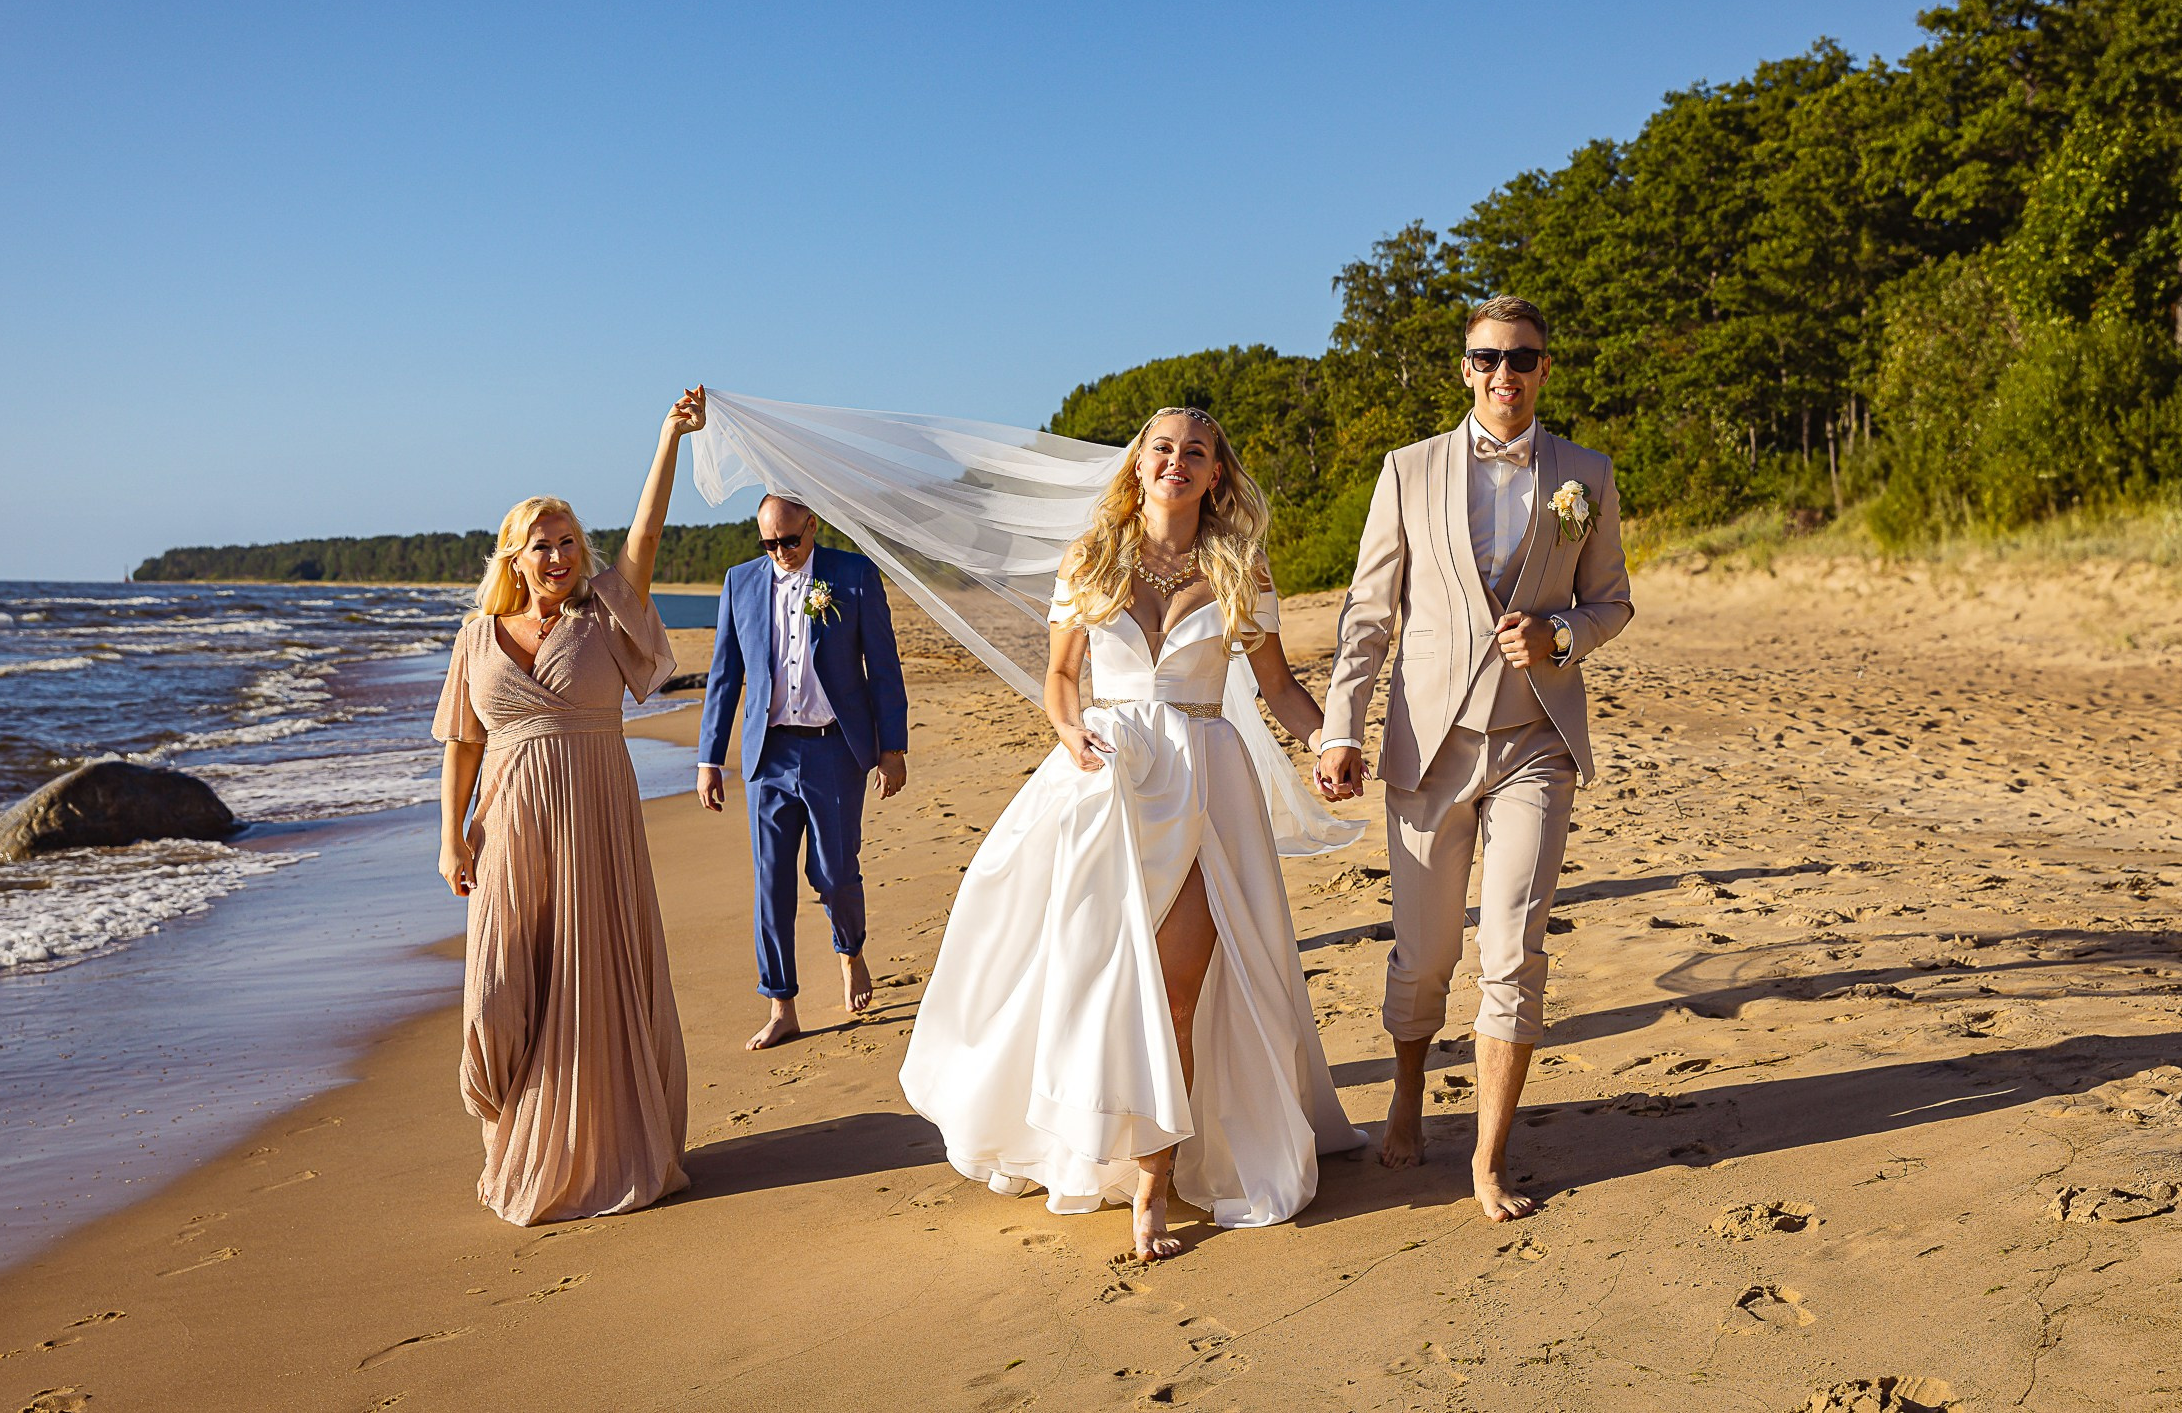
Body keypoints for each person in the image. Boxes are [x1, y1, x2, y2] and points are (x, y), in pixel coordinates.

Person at [900, 408, 1365, 1263]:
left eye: (1196, 451)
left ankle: (1154, 1184)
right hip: (1103, 785)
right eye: (1163, 448)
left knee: (1178, 990)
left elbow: (1278, 686)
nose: (1177, 461)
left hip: (1204, 788)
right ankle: (1095, 1131)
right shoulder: (1091, 559)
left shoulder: (1239, 568)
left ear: (1216, 473)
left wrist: (1328, 742)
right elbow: (1061, 675)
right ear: (1140, 464)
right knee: (1097, 980)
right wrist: (1068, 730)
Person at [1316, 295, 1634, 1222]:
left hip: (1538, 739)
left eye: (1523, 357)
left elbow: (1611, 601)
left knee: (1513, 950)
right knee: (1425, 955)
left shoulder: (1587, 474)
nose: (1506, 373)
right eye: (1489, 357)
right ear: (1465, 368)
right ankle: (1408, 1086)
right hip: (1428, 746)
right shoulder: (1406, 471)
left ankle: (1488, 1159)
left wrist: (1561, 636)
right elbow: (1368, 615)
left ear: (1545, 367)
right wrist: (1343, 725)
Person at [432, 387, 707, 1226]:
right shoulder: (477, 637)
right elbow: (463, 744)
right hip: (510, 825)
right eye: (541, 545)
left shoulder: (601, 612)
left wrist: (668, 439)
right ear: (512, 556)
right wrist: (451, 840)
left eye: (567, 542)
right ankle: (510, 1136)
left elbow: (647, 535)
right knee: (500, 991)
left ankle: (602, 1145)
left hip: (594, 818)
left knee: (595, 979)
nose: (557, 556)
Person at [696, 493, 911, 1052]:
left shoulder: (853, 574)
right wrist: (709, 759)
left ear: (812, 526)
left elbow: (884, 667)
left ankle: (851, 950)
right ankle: (781, 1003)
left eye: (790, 540)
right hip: (767, 755)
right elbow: (725, 676)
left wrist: (893, 749)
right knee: (772, 882)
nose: (781, 552)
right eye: (769, 543)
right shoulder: (740, 582)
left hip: (834, 750)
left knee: (835, 872)